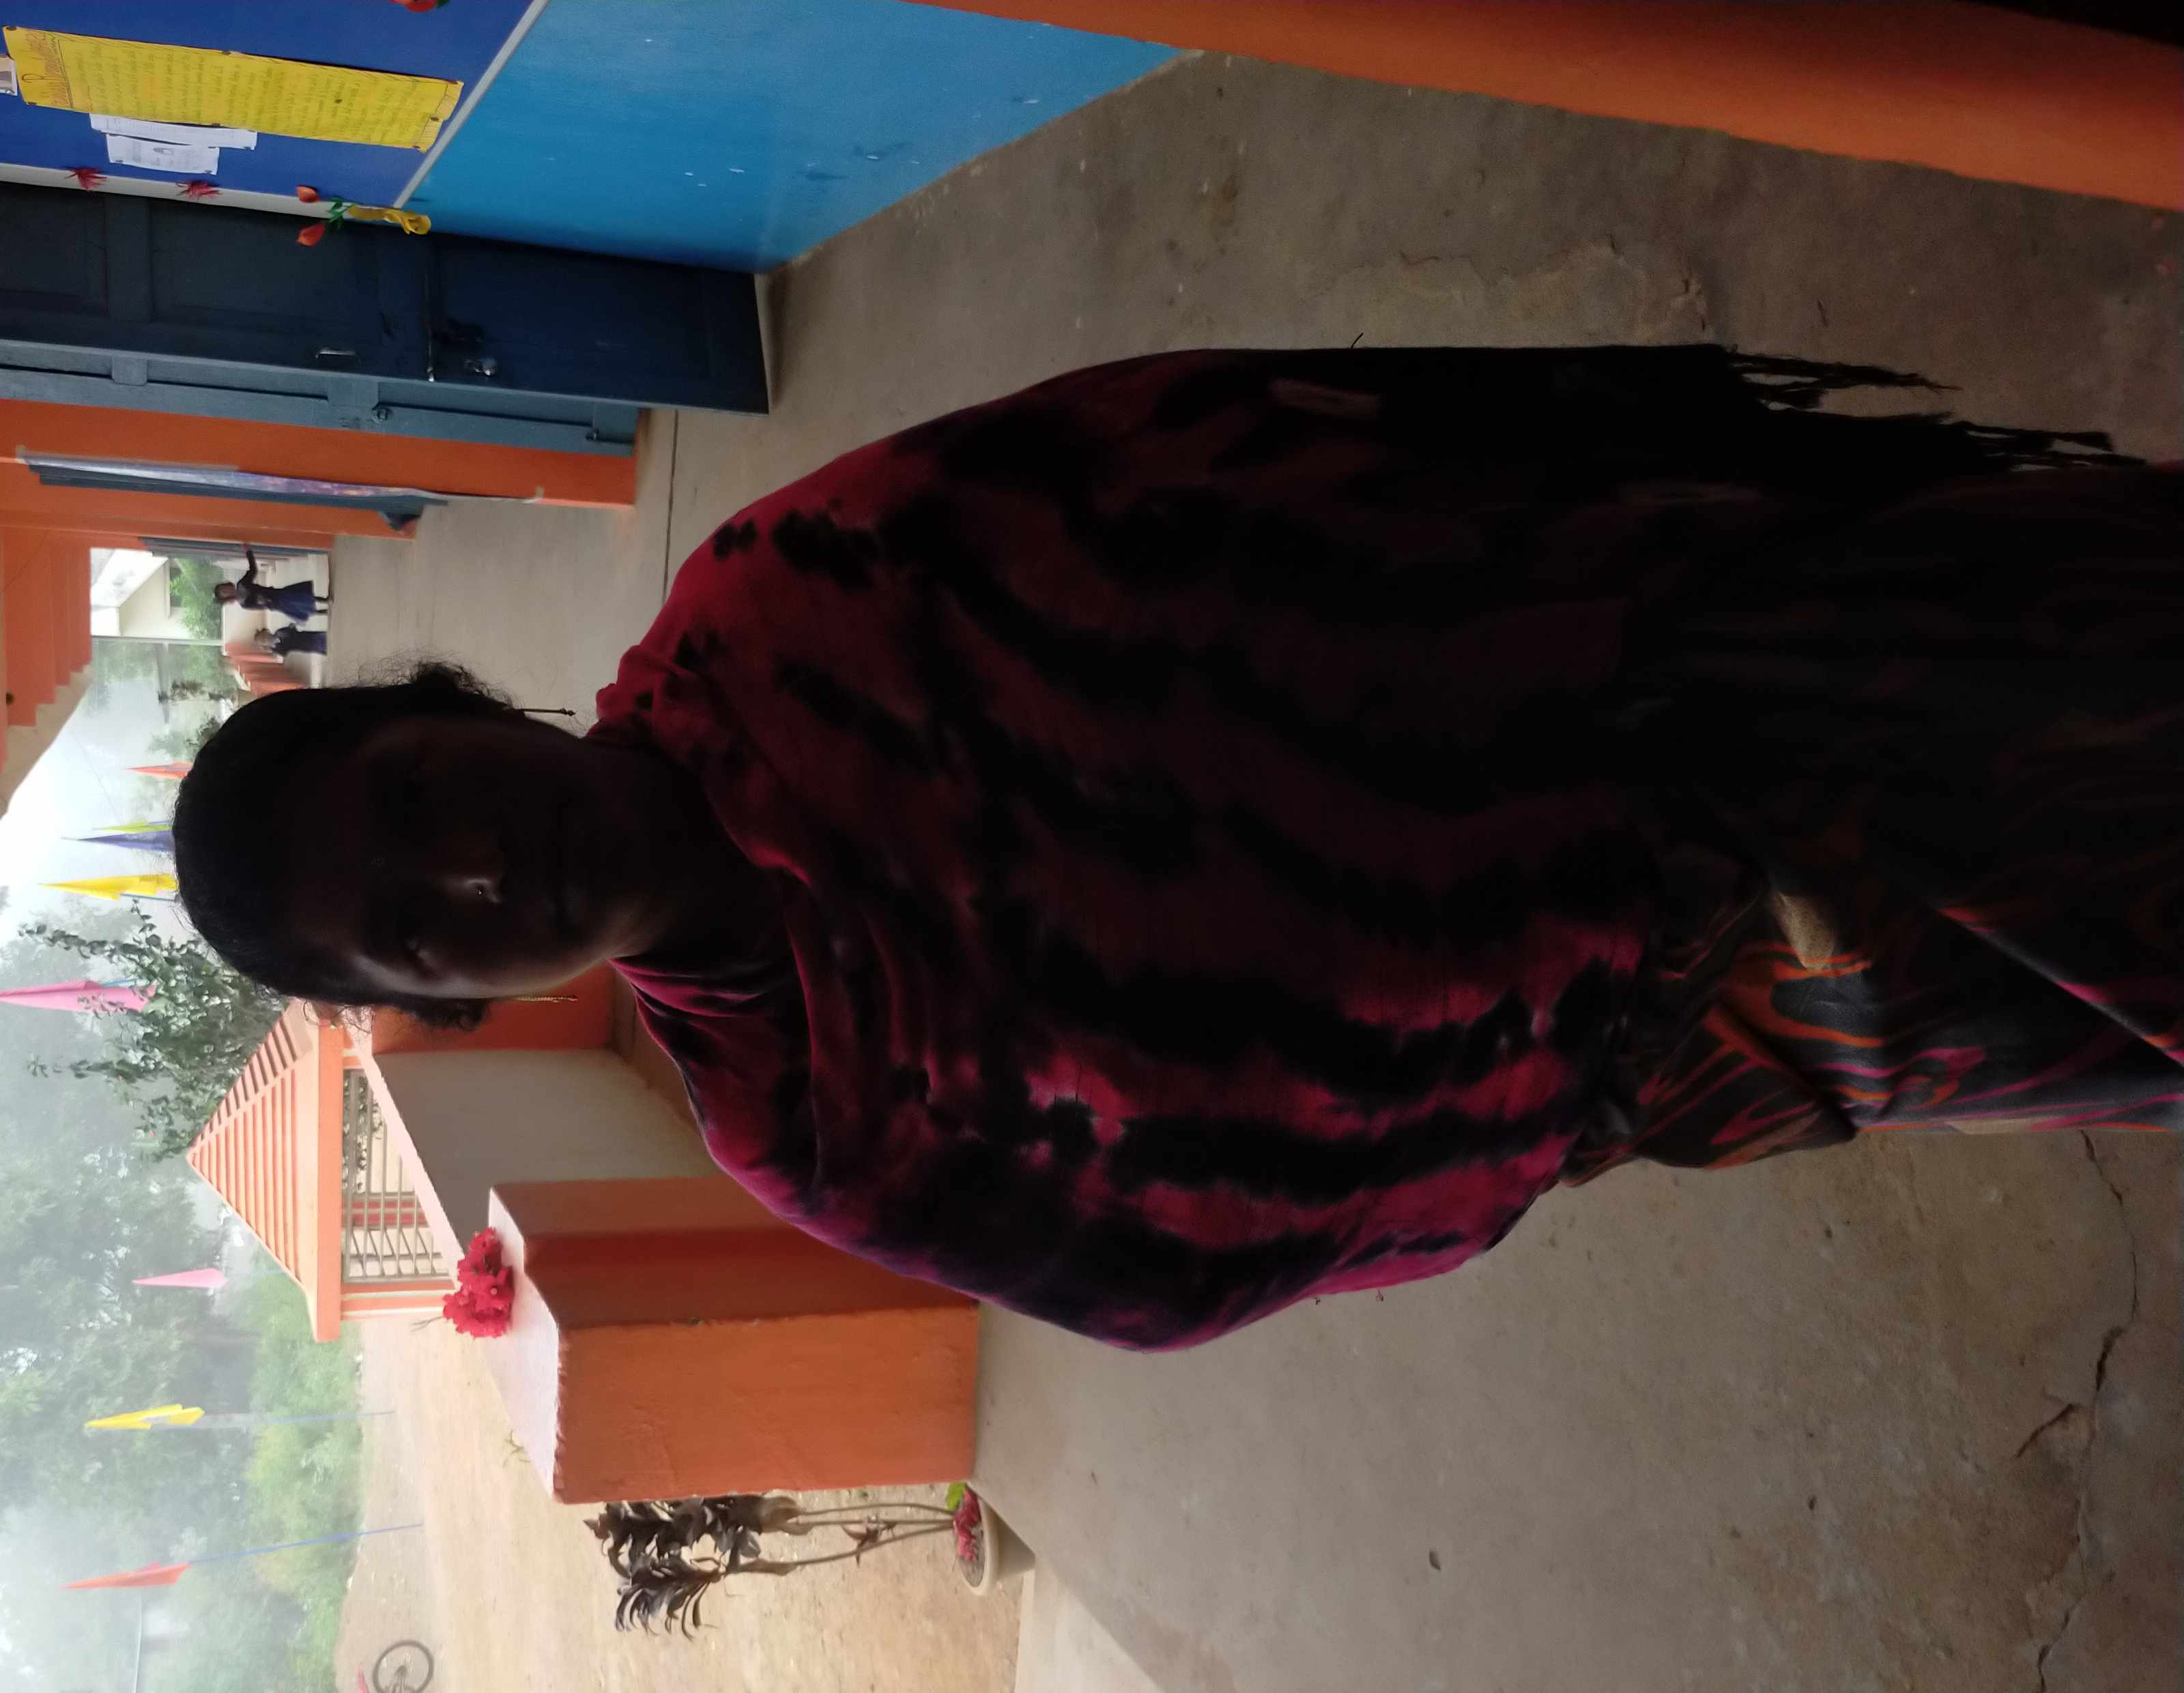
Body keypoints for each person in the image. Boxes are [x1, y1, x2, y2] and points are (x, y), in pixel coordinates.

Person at [171, 348, 2183, 1350]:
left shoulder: (799, 589)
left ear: (447, 704)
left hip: (1755, 665)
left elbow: (1261, 446)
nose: (471, 873)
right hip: (1714, 1023)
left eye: (414, 797)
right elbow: (1161, 1278)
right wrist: (1528, 1067)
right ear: (460, 1000)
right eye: (414, 933)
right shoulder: (808, 1125)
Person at [215, 545, 328, 623]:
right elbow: (259, 606)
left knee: (299, 595)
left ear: (227, 585)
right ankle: (321, 612)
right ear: (227, 598)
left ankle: (324, 600)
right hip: (274, 604)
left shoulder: (242, 584)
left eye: (225, 588)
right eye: (225, 593)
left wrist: (248, 552)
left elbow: (253, 570)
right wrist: (263, 601)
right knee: (296, 608)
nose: (227, 591)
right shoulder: (244, 603)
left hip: (275, 593)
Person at [253, 625, 332, 657]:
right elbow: (288, 654)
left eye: (264, 636)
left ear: (266, 632)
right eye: (264, 641)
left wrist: (291, 628)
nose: (266, 639)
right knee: (326, 647)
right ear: (265, 645)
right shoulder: (277, 649)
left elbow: (292, 630)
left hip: (309, 637)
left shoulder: (279, 632)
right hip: (307, 647)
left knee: (328, 638)